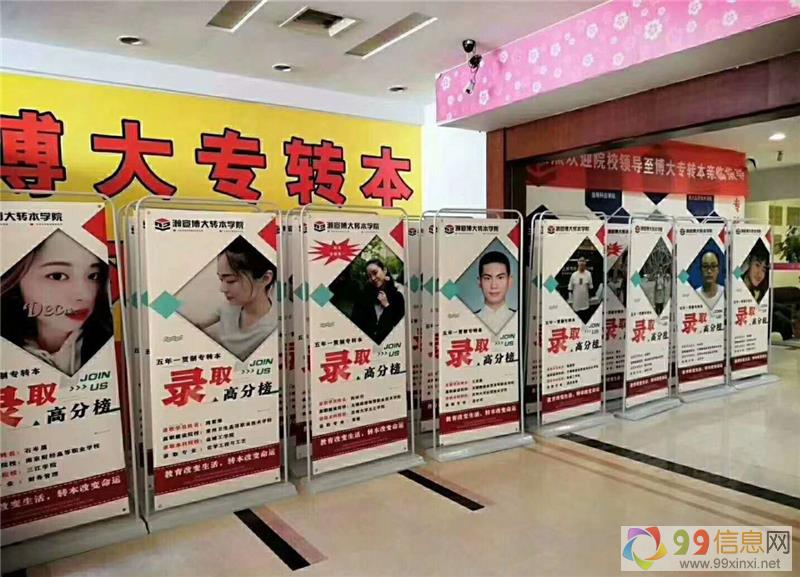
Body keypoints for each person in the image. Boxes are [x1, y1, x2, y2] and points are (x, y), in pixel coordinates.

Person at [1, 230, 113, 376]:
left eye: (93, 276)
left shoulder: (112, 345)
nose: (84, 295)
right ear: (17, 277)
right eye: (57, 276)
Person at [194, 236, 278, 360]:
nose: (222, 288)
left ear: (265, 278)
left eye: (231, 280)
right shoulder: (227, 307)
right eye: (221, 279)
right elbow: (193, 323)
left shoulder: (272, 329)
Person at [350, 258, 405, 344]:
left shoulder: (397, 296)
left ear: (384, 270)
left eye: (375, 273)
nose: (373, 278)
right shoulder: (363, 297)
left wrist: (387, 306)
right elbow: (355, 323)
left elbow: (400, 325)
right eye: (369, 276)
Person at [474, 251, 516, 334]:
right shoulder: (469, 318)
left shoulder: (519, 317)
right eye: (487, 278)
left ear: (510, 281)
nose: (493, 285)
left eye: (500, 277)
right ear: (480, 282)